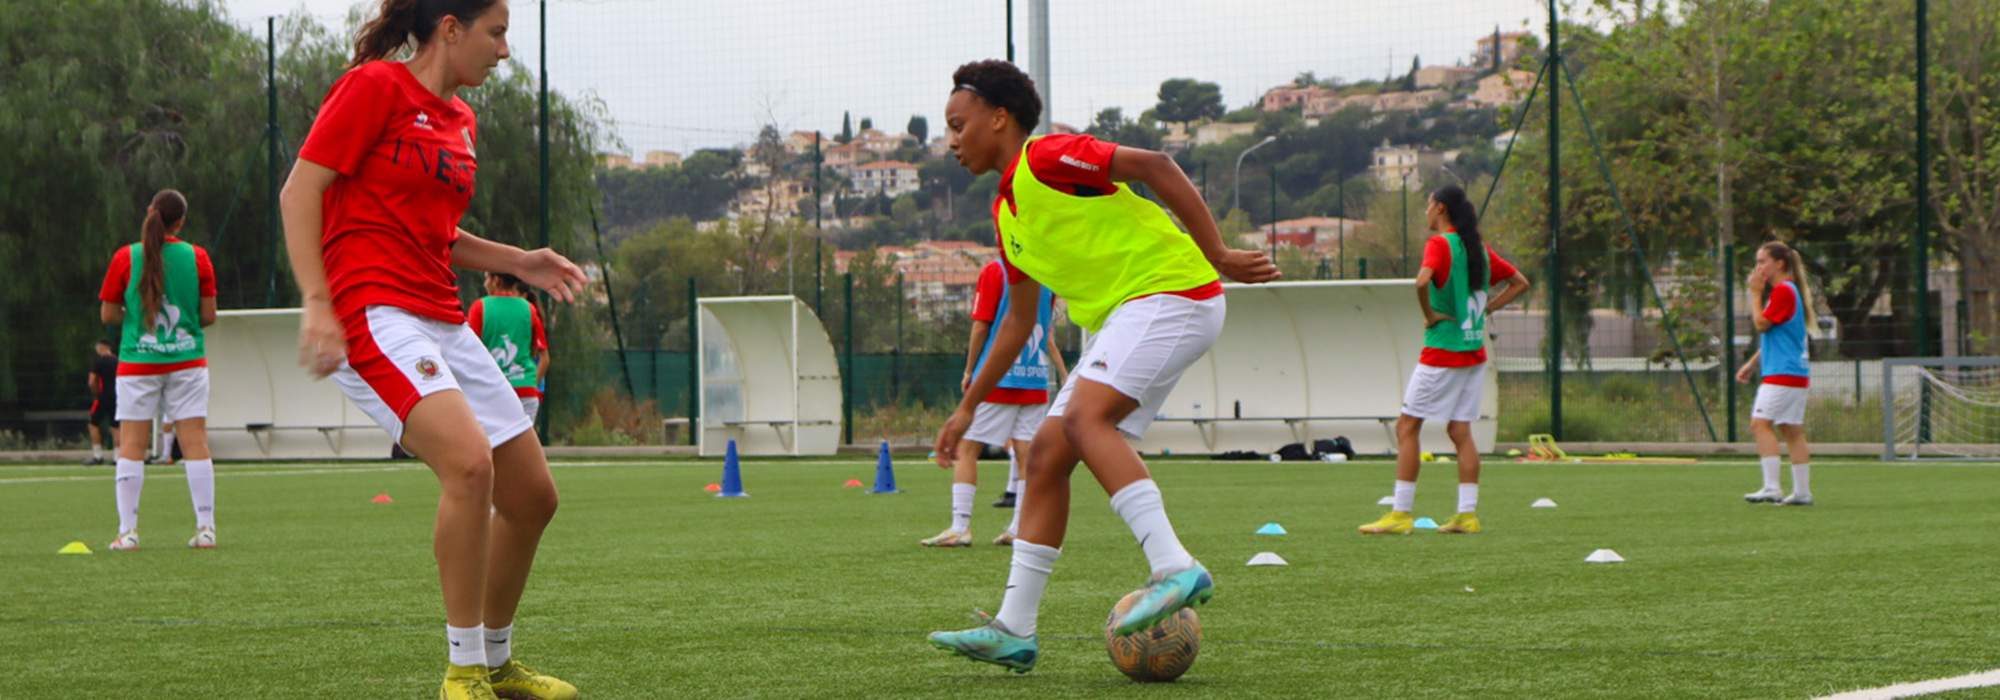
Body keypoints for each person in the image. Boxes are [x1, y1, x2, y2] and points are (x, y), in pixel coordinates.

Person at [926, 60, 1280, 673]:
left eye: (958, 125)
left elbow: (1155, 166)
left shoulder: (1047, 158)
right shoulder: (1007, 214)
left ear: (1000, 118)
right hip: (1136, 313)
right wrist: (966, 408)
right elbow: (1018, 321)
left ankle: (1173, 565)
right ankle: (1015, 629)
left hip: (1172, 293)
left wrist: (1217, 252)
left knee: (1088, 419)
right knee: (1046, 453)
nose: (951, 141)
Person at [278, 1, 588, 698]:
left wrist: (523, 259)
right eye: (497, 33)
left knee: (534, 496)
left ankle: (498, 662)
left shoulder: (462, 122)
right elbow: (300, 191)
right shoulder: (374, 88)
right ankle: (462, 672)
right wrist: (318, 304)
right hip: (370, 308)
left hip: (440, 315)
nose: (505, 51)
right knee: (469, 465)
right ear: (451, 27)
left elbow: (436, 233)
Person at [1358, 184, 1530, 536]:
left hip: (1443, 352)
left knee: (1407, 427)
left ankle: (1400, 513)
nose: (1425, 211)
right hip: (1473, 352)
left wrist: (1431, 313)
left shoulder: (1440, 244)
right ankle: (1467, 514)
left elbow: (1421, 282)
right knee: (1459, 430)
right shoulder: (1477, 248)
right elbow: (1519, 282)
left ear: (1438, 207)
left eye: (1427, 205)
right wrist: (1487, 312)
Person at [97, 189, 220, 551]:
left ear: (150, 213)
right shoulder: (197, 257)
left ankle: (128, 533)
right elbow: (209, 316)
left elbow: (107, 314)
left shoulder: (125, 257)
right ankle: (206, 529)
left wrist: (137, 318)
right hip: (187, 360)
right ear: (180, 222)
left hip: (138, 362)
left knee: (132, 444)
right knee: (195, 441)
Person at [923, 260, 1066, 548]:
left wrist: (969, 371)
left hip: (998, 376)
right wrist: (1063, 374)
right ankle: (1019, 528)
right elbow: (1046, 334)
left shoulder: (996, 271)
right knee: (1028, 455)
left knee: (966, 449)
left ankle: (960, 527)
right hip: (1035, 377)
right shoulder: (1046, 271)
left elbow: (981, 327)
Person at [1737, 241, 1814, 506]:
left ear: (1778, 263)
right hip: (1795, 372)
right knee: (1791, 430)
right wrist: (1752, 364)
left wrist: (1755, 295)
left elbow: (1760, 325)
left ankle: (1772, 487)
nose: (1758, 267)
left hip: (1783, 374)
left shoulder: (1783, 291)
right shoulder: (1789, 291)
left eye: (1762, 261)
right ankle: (1802, 493)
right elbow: (1778, 336)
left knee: (1760, 424)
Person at [468, 272, 549, 423]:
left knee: (490, 445)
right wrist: (531, 382)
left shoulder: (480, 307)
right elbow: (539, 355)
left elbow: (468, 352)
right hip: (526, 391)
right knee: (523, 446)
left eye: (487, 278)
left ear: (496, 280)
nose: (485, 283)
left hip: (492, 393)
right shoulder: (529, 308)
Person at [86, 339, 118, 466]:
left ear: (100, 348)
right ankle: (117, 456)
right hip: (118, 397)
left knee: (93, 423)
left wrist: (96, 392)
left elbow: (91, 381)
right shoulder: (118, 361)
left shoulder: (99, 362)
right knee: (116, 426)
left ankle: (98, 455)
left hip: (103, 396)